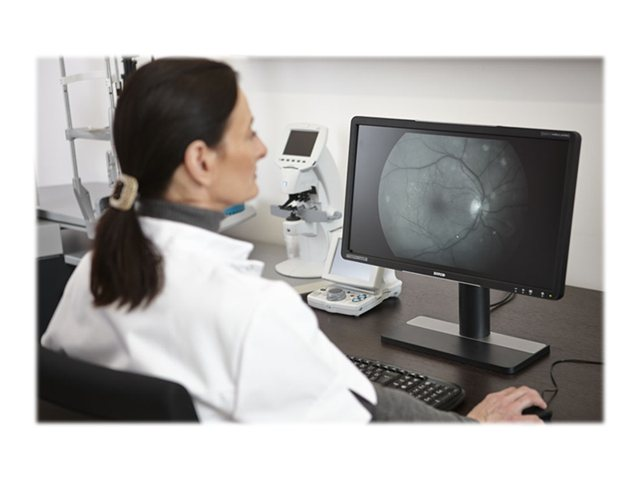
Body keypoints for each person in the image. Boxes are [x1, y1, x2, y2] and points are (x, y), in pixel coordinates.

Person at [41, 58, 547, 423]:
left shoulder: (92, 273)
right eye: (248, 133)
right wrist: (472, 430)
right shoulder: (249, 309)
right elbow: (363, 417)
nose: (263, 149)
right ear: (200, 160)